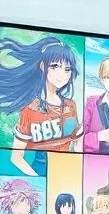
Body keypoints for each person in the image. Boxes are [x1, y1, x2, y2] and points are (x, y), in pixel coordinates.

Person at [0, 35, 81, 177]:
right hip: (40, 174)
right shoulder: (29, 109)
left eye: (67, 69)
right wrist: (38, 180)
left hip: (67, 175)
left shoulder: (71, 106)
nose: (62, 74)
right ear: (43, 67)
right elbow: (16, 156)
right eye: (55, 66)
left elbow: (78, 145)